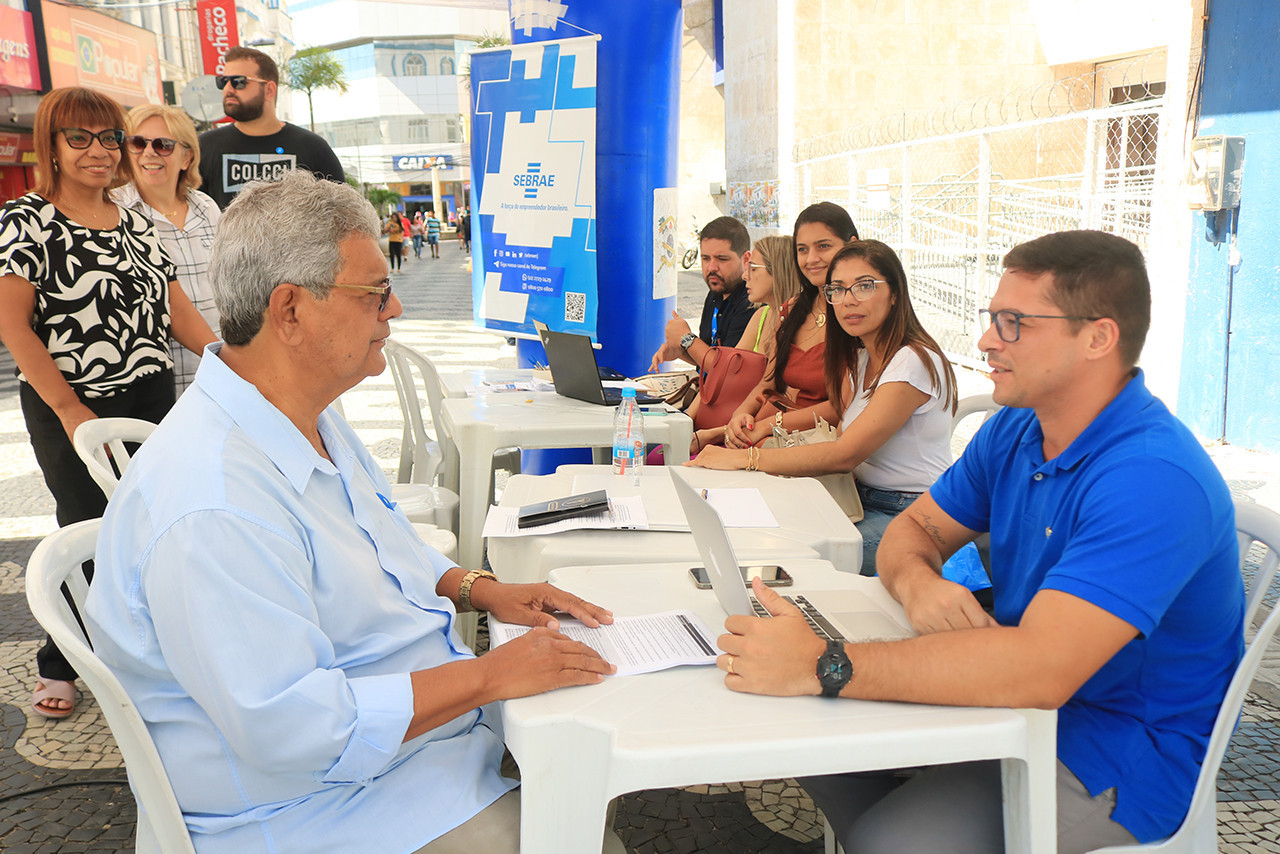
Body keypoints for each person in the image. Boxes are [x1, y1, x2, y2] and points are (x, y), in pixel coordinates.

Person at [84, 170, 616, 854]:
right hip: (322, 811)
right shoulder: (213, 502)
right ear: (291, 311)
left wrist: (481, 590)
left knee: (586, 777)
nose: (393, 311)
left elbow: (383, 545)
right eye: (375, 294)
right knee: (580, 831)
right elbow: (294, 729)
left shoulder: (306, 419)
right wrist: (491, 675)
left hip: (419, 751)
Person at [716, 230, 1244, 854]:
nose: (986, 341)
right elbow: (913, 529)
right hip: (1018, 705)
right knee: (800, 733)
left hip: (1113, 750)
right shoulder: (1019, 427)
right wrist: (919, 585)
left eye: (1015, 322)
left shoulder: (1152, 479)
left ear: (1098, 337)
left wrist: (822, 664)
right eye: (992, 318)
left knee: (893, 838)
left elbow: (1041, 670)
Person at [0, 87, 217, 720]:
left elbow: (176, 310)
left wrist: (233, 363)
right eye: (81, 138)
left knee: (150, 524)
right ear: (54, 146)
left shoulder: (135, 221)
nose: (99, 152)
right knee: (88, 525)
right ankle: (61, 661)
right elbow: (15, 328)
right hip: (70, 403)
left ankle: (151, 654)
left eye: (108, 138)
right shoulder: (26, 219)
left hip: (150, 393)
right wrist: (69, 410)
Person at [689, 240, 958, 574]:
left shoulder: (911, 361)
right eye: (838, 290)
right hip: (858, 498)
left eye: (864, 286)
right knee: (746, 528)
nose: (848, 300)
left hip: (910, 512)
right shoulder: (860, 359)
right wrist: (747, 434)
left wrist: (745, 459)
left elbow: (844, 454)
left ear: (895, 293)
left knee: (789, 557)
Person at [722, 202, 859, 446]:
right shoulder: (792, 310)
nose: (811, 259)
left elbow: (842, 406)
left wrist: (766, 425)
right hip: (777, 434)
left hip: (818, 446)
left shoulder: (856, 311)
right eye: (802, 249)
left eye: (824, 246)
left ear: (851, 244)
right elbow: (767, 383)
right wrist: (740, 417)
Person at [115, 103, 222, 394]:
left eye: (163, 145)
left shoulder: (207, 207)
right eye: (137, 143)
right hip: (157, 386)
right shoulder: (114, 211)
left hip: (219, 375)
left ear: (187, 157)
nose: (149, 152)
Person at [687, 234, 804, 454]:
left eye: (753, 268)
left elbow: (784, 403)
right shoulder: (761, 316)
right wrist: (685, 420)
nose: (744, 276)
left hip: (758, 435)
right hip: (736, 427)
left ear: (778, 271)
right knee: (660, 452)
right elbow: (721, 373)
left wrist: (714, 433)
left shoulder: (800, 326)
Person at [198, 46, 344, 209]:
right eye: (223, 82)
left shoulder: (313, 148)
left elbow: (342, 214)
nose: (228, 89)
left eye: (238, 81)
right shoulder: (203, 148)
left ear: (269, 90)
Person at [648, 215, 756, 373]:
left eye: (722, 259)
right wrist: (680, 349)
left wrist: (686, 338)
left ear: (746, 259)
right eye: (705, 258)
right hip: (705, 391)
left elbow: (726, 371)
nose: (711, 267)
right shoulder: (716, 294)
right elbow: (707, 355)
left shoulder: (751, 303)